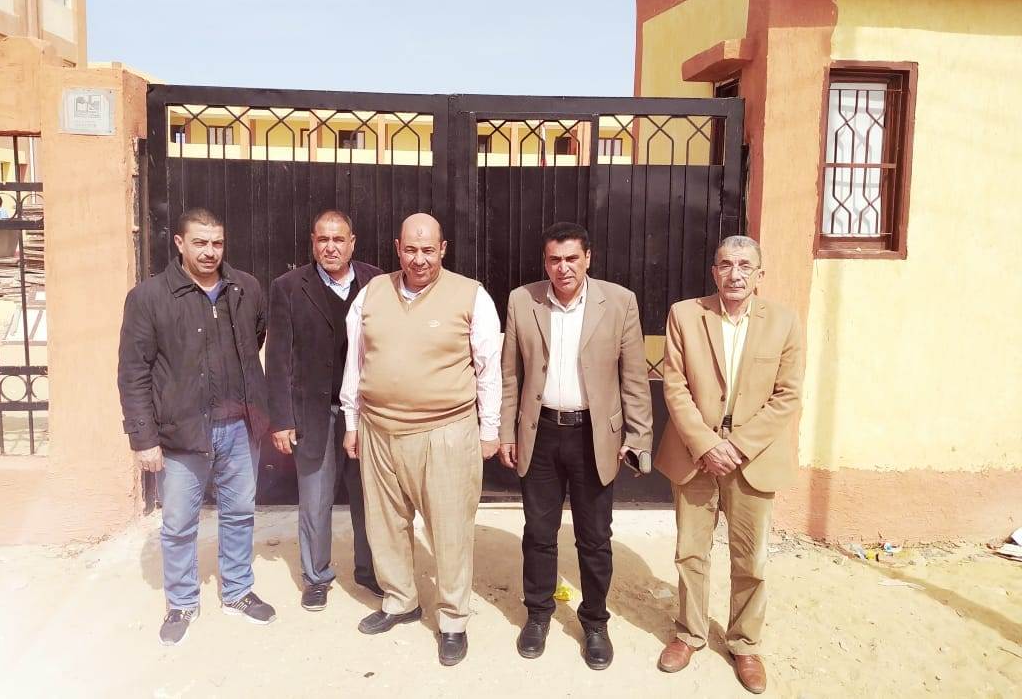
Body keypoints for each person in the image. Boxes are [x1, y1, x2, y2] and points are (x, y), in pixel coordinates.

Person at [340, 212, 501, 667]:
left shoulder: (471, 295)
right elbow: (356, 361)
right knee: (385, 524)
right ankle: (400, 600)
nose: (419, 259)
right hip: (378, 429)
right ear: (398, 248)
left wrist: (489, 430)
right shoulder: (372, 293)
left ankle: (452, 619)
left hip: (445, 432)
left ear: (443, 250)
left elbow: (488, 368)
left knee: (450, 529)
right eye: (410, 249)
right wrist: (352, 421)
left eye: (428, 250)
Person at [118, 207, 276, 646]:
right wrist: (144, 438)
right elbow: (133, 372)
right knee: (178, 524)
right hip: (182, 432)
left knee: (240, 513)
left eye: (217, 243)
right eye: (200, 243)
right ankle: (183, 602)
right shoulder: (149, 298)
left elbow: (255, 338)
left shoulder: (245, 288)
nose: (210, 252)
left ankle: (238, 591)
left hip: (240, 427)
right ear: (180, 243)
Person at [499, 221, 653, 670]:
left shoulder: (619, 302)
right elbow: (510, 375)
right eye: (554, 259)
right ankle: (538, 614)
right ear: (545, 262)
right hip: (541, 432)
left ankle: (595, 622)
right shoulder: (522, 300)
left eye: (571, 258)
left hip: (594, 436)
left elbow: (634, 378)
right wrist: (506, 432)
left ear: (588, 258)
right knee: (538, 533)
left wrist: (638, 437)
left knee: (595, 537)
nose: (562, 268)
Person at [654, 235, 803, 694]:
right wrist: (706, 444)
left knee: (751, 557)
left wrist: (736, 447)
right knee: (690, 551)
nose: (735, 274)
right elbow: (674, 385)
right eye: (725, 264)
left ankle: (744, 642)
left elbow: (787, 395)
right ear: (714, 271)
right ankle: (689, 633)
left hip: (752, 457)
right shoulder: (685, 314)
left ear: (760, 274)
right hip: (695, 453)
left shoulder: (784, 321)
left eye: (744, 266)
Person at [265, 209, 383, 610]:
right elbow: (278, 358)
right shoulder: (288, 287)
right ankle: (316, 576)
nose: (330, 247)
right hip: (314, 414)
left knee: (369, 496)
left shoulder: (376, 282)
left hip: (365, 413)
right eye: (323, 240)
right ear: (313, 243)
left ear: (352, 243)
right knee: (315, 498)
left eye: (338, 240)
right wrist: (282, 419)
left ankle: (370, 571)